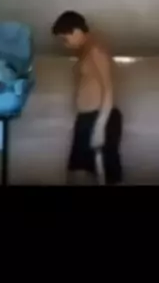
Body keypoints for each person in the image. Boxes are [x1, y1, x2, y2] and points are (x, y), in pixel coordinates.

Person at [52, 11, 123, 185]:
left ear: (76, 31)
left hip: (100, 117)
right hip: (87, 119)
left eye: (65, 39)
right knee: (77, 172)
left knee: (104, 175)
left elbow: (108, 88)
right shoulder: (84, 52)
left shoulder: (96, 50)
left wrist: (100, 126)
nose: (65, 44)